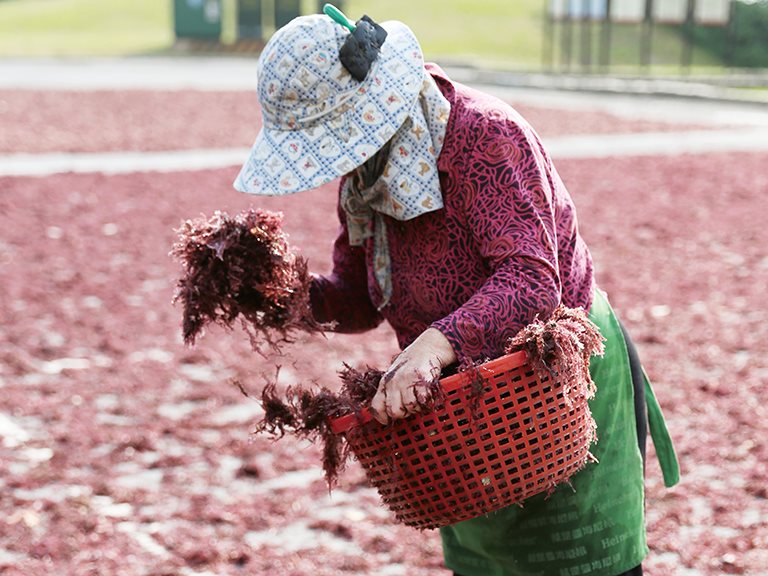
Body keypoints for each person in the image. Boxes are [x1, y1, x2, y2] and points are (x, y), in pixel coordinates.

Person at [233, 6, 679, 576]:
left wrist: (432, 346)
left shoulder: (482, 136)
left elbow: (531, 281)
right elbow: (360, 297)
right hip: (466, 408)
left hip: (557, 383)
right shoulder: (364, 179)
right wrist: (280, 296)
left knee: (581, 564)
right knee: (488, 564)